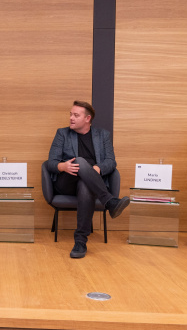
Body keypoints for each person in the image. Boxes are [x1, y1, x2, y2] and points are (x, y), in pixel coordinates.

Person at [47, 100, 130, 258]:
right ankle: (109, 201)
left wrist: (99, 168)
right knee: (79, 160)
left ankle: (80, 242)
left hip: (90, 184)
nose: (71, 118)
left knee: (85, 185)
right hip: (66, 182)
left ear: (87, 119)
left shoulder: (102, 135)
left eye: (76, 115)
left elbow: (111, 161)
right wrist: (63, 167)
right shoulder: (62, 134)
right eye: (71, 114)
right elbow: (51, 163)